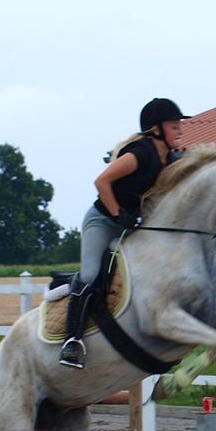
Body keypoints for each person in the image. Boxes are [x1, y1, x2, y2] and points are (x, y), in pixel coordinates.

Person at [59, 97, 190, 368]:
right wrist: (119, 214)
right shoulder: (139, 154)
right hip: (102, 221)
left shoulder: (171, 159)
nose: (180, 129)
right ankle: (72, 341)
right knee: (91, 275)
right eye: (174, 125)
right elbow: (101, 181)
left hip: (132, 224)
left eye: (180, 125)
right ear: (156, 129)